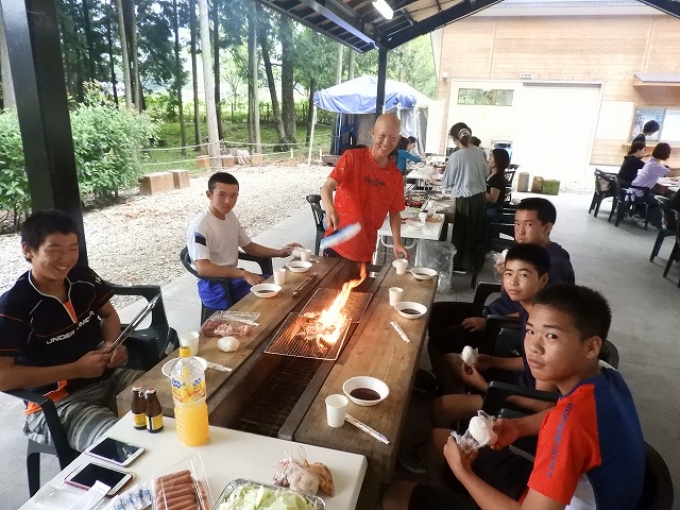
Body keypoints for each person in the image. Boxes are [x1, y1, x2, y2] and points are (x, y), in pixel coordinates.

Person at [384, 284, 646, 510]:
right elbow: (561, 413)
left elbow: (567, 424)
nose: (533, 347)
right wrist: (518, 426)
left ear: (592, 346)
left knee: (395, 495)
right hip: (559, 493)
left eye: (551, 336)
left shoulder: (570, 425)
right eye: (530, 331)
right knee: (439, 440)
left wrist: (463, 473)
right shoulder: (608, 377)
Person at [0, 210, 142, 452]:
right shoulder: (14, 306)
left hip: (108, 379)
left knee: (171, 396)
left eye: (73, 248)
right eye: (54, 250)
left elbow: (109, 315)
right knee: (124, 446)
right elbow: (3, 377)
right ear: (28, 250)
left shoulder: (82, 278)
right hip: (56, 403)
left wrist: (111, 344)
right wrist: (76, 369)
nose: (66, 259)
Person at [428, 198, 575, 375]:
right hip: (495, 311)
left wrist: (488, 321)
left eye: (528, 224)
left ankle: (451, 376)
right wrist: (504, 274)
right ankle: (445, 370)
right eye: (517, 224)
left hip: (506, 325)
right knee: (435, 312)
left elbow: (543, 316)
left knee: (440, 338)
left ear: (547, 227)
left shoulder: (556, 265)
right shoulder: (524, 252)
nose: (520, 232)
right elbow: (506, 293)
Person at [431, 244, 556, 429]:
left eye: (523, 275)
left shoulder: (546, 329)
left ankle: (457, 432)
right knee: (450, 360)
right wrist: (492, 361)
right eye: (508, 274)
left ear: (543, 280)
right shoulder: (529, 311)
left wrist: (484, 386)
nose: (513, 282)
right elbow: (529, 360)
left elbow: (544, 404)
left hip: (520, 401)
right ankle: (465, 421)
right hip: (515, 382)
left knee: (439, 407)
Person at [187, 171, 300, 310]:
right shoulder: (200, 226)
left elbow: (249, 247)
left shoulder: (230, 216)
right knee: (274, 298)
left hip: (233, 278)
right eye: (221, 195)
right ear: (209, 194)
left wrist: (280, 252)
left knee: (282, 285)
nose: (228, 201)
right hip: (213, 287)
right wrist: (243, 274)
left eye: (233, 196)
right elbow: (203, 268)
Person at [320, 113, 408, 263]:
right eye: (382, 135)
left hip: (365, 248)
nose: (386, 142)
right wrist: (330, 210)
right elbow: (326, 188)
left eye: (393, 137)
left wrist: (397, 242)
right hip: (337, 243)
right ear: (373, 133)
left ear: (398, 139)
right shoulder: (352, 158)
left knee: (361, 279)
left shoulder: (395, 176)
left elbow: (395, 212)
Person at [442, 122, 488, 273]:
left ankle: (460, 265)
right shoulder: (480, 152)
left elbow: (447, 182)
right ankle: (474, 263)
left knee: (462, 231)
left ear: (455, 139)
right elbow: (486, 173)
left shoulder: (456, 156)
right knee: (475, 230)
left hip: (465, 199)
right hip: (480, 198)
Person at [485, 148, 511, 220]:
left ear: (499, 160)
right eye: (490, 156)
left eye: (492, 156)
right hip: (487, 207)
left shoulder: (498, 178)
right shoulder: (490, 174)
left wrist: (479, 189)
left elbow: (493, 199)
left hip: (492, 210)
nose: (489, 159)